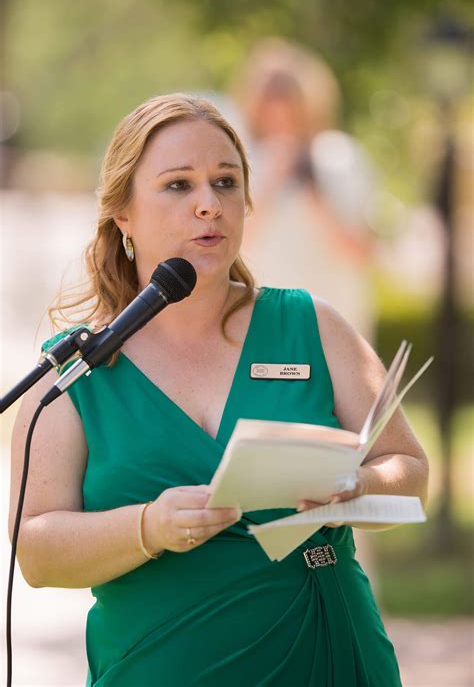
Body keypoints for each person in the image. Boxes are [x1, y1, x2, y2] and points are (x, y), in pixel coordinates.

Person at [9, 93, 428, 687]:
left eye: (226, 182)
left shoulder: (313, 326)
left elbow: (409, 470)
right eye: (179, 185)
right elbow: (36, 550)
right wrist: (149, 526)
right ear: (122, 214)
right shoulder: (76, 374)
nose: (209, 205)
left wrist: (355, 486)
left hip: (327, 657)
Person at [234, 38, 377, 341]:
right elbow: (234, 246)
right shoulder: (239, 161)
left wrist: (312, 188)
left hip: (338, 324)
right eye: (268, 91)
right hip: (266, 328)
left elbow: (359, 249)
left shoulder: (339, 155)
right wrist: (273, 180)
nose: (278, 103)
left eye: (286, 90)